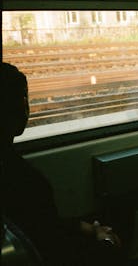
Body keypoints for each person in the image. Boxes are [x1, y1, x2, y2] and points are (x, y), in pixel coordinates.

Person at [0, 62, 122, 266]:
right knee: (122, 216)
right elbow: (53, 246)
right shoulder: (24, 181)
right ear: (21, 108)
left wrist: (90, 228)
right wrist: (105, 242)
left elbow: (42, 223)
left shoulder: (12, 167)